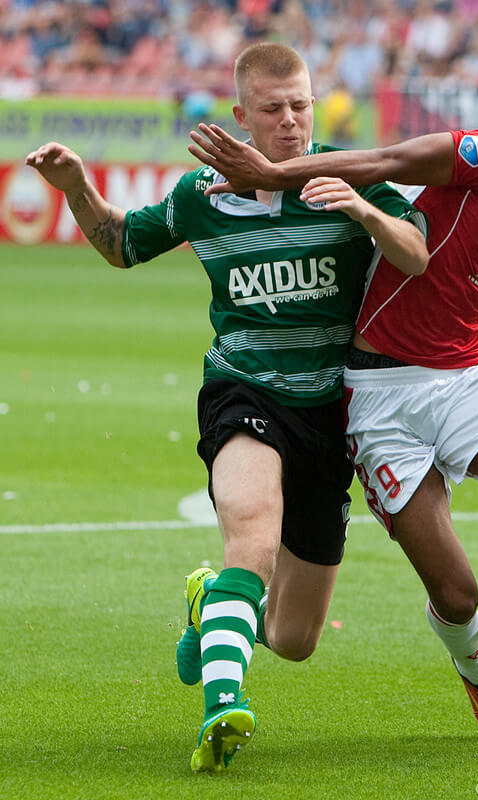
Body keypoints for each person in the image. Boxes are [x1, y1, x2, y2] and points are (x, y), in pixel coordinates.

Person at [25, 42, 428, 772]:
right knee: (251, 537)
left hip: (330, 412)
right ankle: (222, 709)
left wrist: (365, 210)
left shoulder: (345, 174)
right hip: (243, 389)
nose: (291, 121)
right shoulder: (201, 195)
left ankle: (210, 598)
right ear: (241, 116)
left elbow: (415, 255)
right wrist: (76, 187)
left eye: (300, 104)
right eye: (272, 109)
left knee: (295, 638)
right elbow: (120, 245)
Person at [187, 76, 478, 739]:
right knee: (454, 594)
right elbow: (385, 162)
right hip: (384, 399)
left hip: (466, 378)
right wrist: (273, 170)